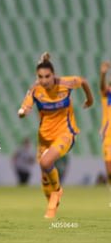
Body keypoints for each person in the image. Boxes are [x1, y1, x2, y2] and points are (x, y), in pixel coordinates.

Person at [18, 52, 93, 218]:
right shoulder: (35, 90)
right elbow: (25, 107)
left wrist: (90, 100)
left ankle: (57, 191)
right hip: (44, 138)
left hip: (66, 133)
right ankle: (52, 204)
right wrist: (24, 112)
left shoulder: (66, 83)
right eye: (40, 77)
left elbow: (84, 81)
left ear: (54, 75)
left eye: (47, 76)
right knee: (45, 177)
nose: (44, 80)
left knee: (46, 162)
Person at [99, 61, 111, 187]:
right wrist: (103, 74)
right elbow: (102, 86)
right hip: (108, 137)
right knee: (109, 171)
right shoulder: (107, 95)